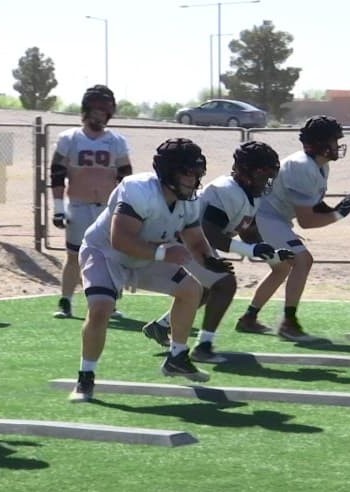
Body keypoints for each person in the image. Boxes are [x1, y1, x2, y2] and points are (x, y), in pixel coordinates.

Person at [69, 138, 234, 402]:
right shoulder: (137, 189)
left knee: (192, 289)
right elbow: (120, 239)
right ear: (168, 172)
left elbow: (194, 239)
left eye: (196, 174)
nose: (193, 181)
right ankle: (85, 377)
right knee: (100, 308)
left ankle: (177, 357)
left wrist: (209, 259)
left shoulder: (187, 200)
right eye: (187, 173)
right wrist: (163, 253)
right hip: (106, 253)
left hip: (146, 255)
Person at [142, 141, 295, 362]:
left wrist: (271, 252)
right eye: (264, 174)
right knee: (224, 284)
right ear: (247, 172)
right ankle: (203, 346)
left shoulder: (251, 194)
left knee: (206, 289)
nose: (267, 181)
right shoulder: (225, 191)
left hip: (197, 243)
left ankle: (162, 326)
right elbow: (210, 233)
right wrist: (251, 249)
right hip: (180, 240)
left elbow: (247, 230)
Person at [235, 116, 350, 341]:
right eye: (333, 141)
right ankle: (288, 323)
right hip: (265, 217)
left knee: (282, 268)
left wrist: (333, 209)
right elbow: (307, 221)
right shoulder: (302, 166)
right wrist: (338, 213)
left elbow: (312, 204)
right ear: (321, 144)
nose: (336, 145)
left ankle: (249, 318)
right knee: (303, 260)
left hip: (275, 218)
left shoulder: (318, 166)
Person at [50, 85, 132, 319]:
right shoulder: (70, 138)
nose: (99, 117)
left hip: (107, 208)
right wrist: (58, 208)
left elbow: (125, 176)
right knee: (74, 255)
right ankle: (66, 301)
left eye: (103, 112)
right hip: (78, 204)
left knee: (109, 255)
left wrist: (125, 210)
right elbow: (57, 173)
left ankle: (110, 302)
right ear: (86, 111)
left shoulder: (116, 141)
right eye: (95, 111)